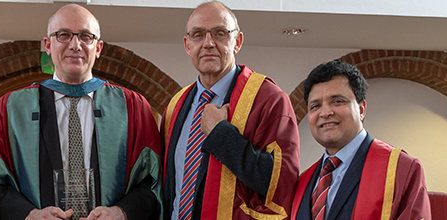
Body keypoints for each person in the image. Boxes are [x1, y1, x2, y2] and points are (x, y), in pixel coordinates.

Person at [0, 4, 162, 220]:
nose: (75, 45)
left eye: (85, 36)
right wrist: (28, 214)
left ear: (98, 48)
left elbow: (152, 180)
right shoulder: (10, 109)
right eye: (64, 35)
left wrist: (121, 212)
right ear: (48, 44)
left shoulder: (133, 108)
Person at [161, 1, 300, 219]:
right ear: (188, 45)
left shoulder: (269, 99)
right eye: (198, 35)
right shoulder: (175, 106)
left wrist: (222, 135)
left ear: (237, 42)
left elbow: (281, 184)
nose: (208, 43)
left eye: (219, 33)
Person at [291, 60, 431, 220]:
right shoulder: (303, 182)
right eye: (315, 106)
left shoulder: (400, 168)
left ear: (361, 109)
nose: (325, 112)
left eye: (337, 101)